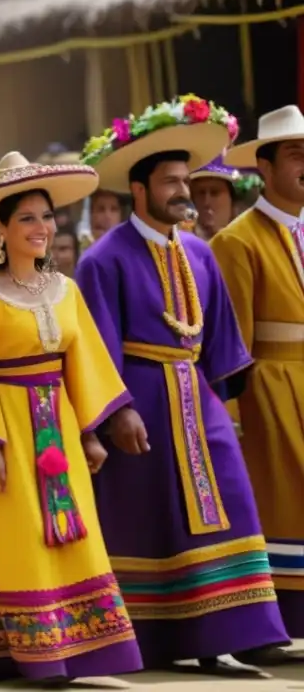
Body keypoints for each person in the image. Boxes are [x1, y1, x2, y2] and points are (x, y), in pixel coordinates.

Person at [76, 95, 289, 672]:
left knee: (231, 503)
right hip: (138, 401)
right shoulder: (103, 259)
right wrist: (115, 412)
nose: (183, 193)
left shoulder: (199, 252)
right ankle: (154, 640)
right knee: (148, 519)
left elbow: (221, 339)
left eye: (185, 181)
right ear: (139, 191)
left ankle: (243, 629)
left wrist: (229, 407)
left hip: (199, 398)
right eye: (170, 182)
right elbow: (94, 346)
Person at [0, 152, 143, 683]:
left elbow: (83, 361)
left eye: (47, 217)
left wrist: (90, 433)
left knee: (74, 535)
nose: (41, 228)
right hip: (6, 433)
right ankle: (33, 652)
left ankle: (80, 648)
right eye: (26, 218)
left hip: (60, 431)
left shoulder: (65, 290)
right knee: (20, 537)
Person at [215, 105, 304, 645]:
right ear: (264, 168)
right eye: (295, 155)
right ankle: (284, 624)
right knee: (283, 505)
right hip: (269, 394)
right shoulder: (238, 239)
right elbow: (232, 343)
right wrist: (230, 415)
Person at [189, 157, 263, 241]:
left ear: (232, 200)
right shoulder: (179, 247)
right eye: (201, 193)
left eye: (214, 192)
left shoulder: (252, 243)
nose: (206, 202)